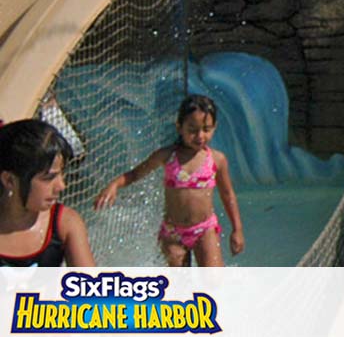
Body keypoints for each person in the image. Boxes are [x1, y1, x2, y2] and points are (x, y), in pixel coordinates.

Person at [94, 95, 244, 266]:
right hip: (173, 233)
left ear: (214, 127)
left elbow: (227, 194)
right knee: (179, 283)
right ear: (179, 127)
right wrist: (115, 185)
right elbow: (135, 174)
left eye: (206, 129)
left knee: (214, 281)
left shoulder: (217, 159)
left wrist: (237, 229)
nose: (200, 135)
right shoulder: (167, 156)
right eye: (192, 129)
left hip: (205, 229)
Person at [0, 120, 95, 267]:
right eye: (49, 178)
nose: (62, 186)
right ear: (9, 180)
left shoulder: (65, 223)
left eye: (61, 174)